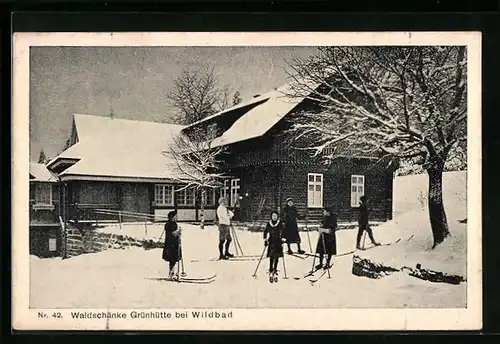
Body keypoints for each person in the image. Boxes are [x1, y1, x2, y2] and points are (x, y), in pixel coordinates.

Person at [263, 211, 285, 276]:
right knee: (271, 255)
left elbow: (283, 231)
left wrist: (283, 238)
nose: (274, 217)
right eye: (273, 216)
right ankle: (270, 268)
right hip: (271, 241)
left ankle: (275, 268)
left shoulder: (279, 223)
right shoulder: (269, 223)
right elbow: (265, 231)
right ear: (271, 216)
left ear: (277, 217)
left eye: (275, 216)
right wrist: (265, 239)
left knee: (277, 256)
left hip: (278, 241)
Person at [162, 211, 182, 280]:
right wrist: (177, 232)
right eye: (175, 216)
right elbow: (171, 234)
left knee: (175, 259)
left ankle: (174, 273)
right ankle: (171, 273)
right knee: (172, 260)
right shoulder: (168, 224)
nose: (176, 217)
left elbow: (175, 234)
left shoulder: (175, 224)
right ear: (172, 217)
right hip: (170, 244)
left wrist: (179, 234)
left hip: (175, 244)